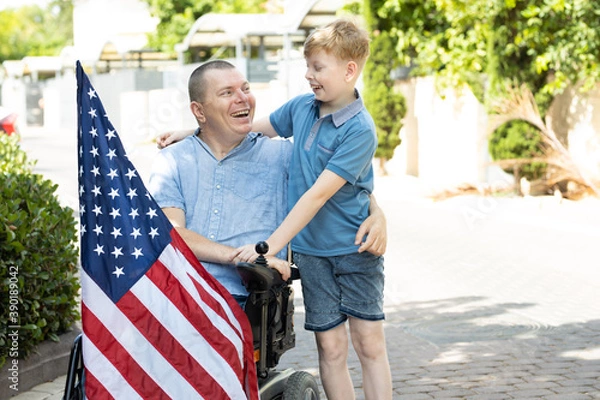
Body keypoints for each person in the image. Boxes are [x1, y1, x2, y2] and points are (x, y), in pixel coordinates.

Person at [235, 19, 393, 400]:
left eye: (317, 68)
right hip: (313, 255)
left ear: (349, 70)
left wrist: (269, 246)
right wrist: (190, 133)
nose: (308, 75)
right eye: (307, 66)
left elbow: (317, 196)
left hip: (355, 250)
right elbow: (253, 130)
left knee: (368, 345)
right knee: (330, 348)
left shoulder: (360, 129)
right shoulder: (302, 108)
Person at [149, 59, 387, 309]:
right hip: (184, 297)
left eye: (246, 88)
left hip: (253, 301)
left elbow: (336, 187)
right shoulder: (172, 159)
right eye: (227, 93)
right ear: (199, 111)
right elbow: (172, 232)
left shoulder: (282, 156)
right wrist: (245, 257)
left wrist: (376, 212)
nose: (242, 98)